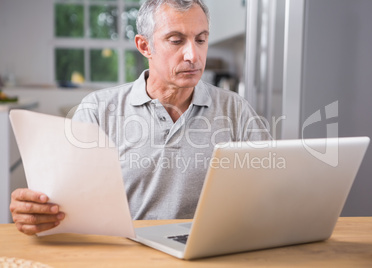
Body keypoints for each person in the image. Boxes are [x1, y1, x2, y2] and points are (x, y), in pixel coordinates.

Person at [9, 0, 271, 236]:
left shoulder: (235, 108)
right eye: (176, 40)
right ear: (145, 46)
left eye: (200, 40)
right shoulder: (98, 110)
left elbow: (271, 189)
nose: (193, 55)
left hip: (208, 252)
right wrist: (36, 210)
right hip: (125, 254)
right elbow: (62, 200)